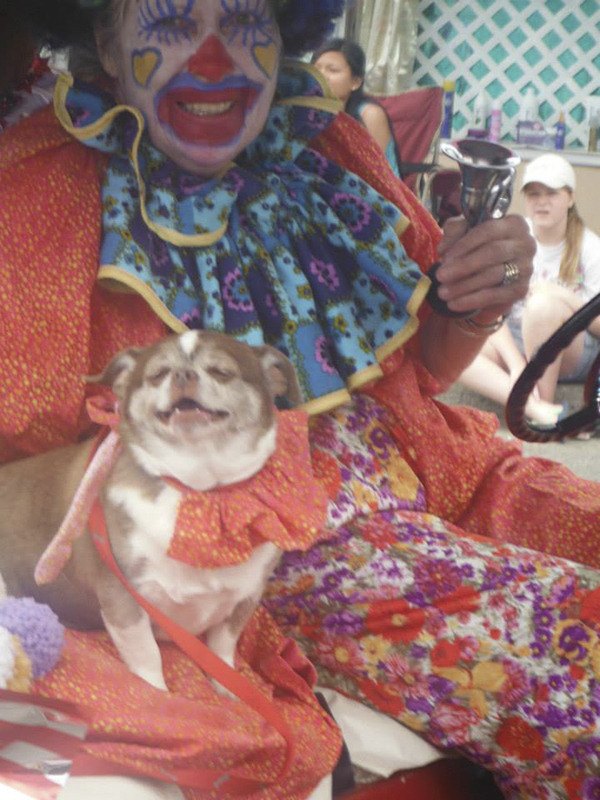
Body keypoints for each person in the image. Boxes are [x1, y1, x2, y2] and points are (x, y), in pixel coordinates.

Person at [2, 1, 600, 798]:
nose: (215, 60)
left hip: (436, 464)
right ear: (104, 42)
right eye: (173, 23)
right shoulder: (37, 186)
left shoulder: (328, 144)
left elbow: (420, 370)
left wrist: (474, 304)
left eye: (248, 18)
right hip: (277, 541)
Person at [459, 153, 600, 426]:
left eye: (551, 193)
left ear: (570, 198)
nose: (541, 201)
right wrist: (515, 365)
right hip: (517, 343)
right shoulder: (512, 238)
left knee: (542, 306)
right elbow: (489, 309)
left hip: (572, 350)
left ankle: (543, 400)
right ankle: (537, 410)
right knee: (458, 344)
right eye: (533, 193)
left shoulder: (591, 248)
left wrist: (561, 296)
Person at [311, 37, 401, 177]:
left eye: (332, 70)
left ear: (356, 82)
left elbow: (377, 176)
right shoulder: (307, 111)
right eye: (316, 69)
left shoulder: (369, 115)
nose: (322, 76)